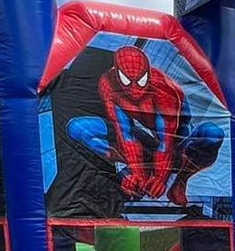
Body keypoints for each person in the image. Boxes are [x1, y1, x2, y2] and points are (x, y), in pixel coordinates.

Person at [67, 45, 223, 209]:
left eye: (140, 81)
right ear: (117, 74)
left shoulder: (165, 90)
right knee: (77, 127)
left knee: (212, 133)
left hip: (178, 142)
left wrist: (160, 178)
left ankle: (180, 182)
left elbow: (167, 140)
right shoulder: (108, 84)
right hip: (147, 142)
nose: (134, 89)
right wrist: (136, 171)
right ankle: (133, 169)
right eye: (127, 81)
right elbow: (123, 131)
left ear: (147, 74)